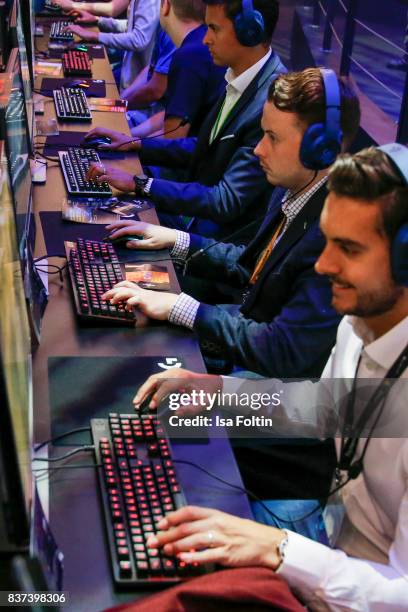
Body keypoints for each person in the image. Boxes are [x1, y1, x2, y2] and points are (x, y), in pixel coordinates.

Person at [127, 144, 408, 611]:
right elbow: (324, 407)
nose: (323, 266)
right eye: (328, 241)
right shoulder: (359, 324)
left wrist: (279, 550)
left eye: (349, 249)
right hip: (331, 538)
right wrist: (218, 392)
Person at [85, 0, 284, 241]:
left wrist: (140, 184)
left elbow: (225, 201)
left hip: (217, 243)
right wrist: (136, 144)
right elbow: (205, 148)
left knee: (104, 231)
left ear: (249, 32)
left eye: (215, 28)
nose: (205, 39)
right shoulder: (239, 77)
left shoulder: (270, 104)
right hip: (201, 222)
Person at [125, 0, 227, 139]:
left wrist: (131, 142)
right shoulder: (199, 41)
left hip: (186, 157)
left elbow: (173, 137)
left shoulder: (189, 56)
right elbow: (174, 114)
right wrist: (129, 136)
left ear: (165, 5)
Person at [65, 0, 160, 92]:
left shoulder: (150, 1)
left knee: (86, 85)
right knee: (82, 82)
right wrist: (98, 20)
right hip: (130, 71)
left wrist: (95, 35)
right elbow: (130, 26)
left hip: (141, 84)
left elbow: (139, 40)